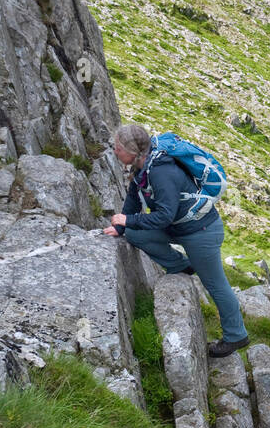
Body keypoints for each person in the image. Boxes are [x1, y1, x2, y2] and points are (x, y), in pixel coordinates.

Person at [106, 123, 250, 357]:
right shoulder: (142, 168)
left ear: (133, 151)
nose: (115, 151)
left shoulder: (161, 172)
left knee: (215, 284)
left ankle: (236, 336)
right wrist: (122, 227)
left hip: (201, 232)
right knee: (133, 232)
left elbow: (164, 216)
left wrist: (128, 219)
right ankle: (180, 265)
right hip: (178, 226)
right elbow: (134, 197)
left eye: (118, 148)